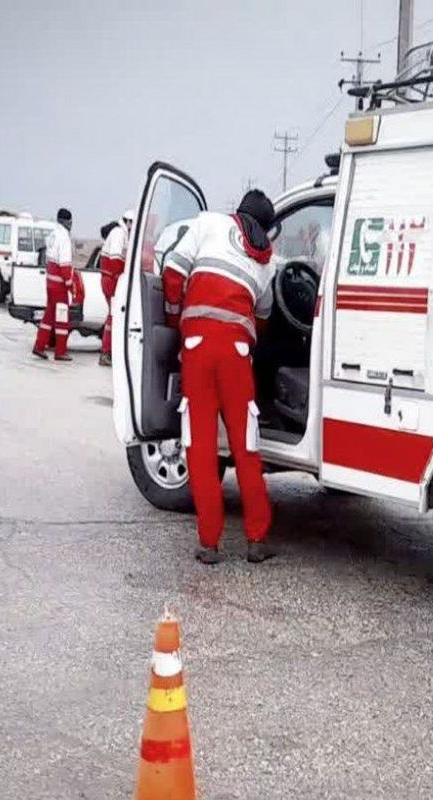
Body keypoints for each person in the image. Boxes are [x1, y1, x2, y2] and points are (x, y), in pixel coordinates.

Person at [162, 190, 277, 564]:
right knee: (246, 444)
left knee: (201, 445)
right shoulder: (268, 263)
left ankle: (209, 543)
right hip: (238, 355)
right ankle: (257, 539)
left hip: (197, 349)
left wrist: (173, 318)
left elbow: (173, 271)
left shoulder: (208, 223)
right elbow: (262, 317)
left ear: (238, 212)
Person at [32, 207, 78, 362]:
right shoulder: (64, 237)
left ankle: (39, 346)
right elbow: (65, 265)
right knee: (62, 318)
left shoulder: (52, 234)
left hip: (50, 282)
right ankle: (60, 351)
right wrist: (71, 285)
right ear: (67, 221)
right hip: (60, 286)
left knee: (48, 317)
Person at [98, 209, 135, 367]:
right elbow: (115, 261)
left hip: (111, 280)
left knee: (114, 317)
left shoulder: (121, 234)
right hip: (111, 280)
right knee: (113, 317)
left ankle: (109, 351)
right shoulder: (119, 234)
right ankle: (105, 352)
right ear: (128, 222)